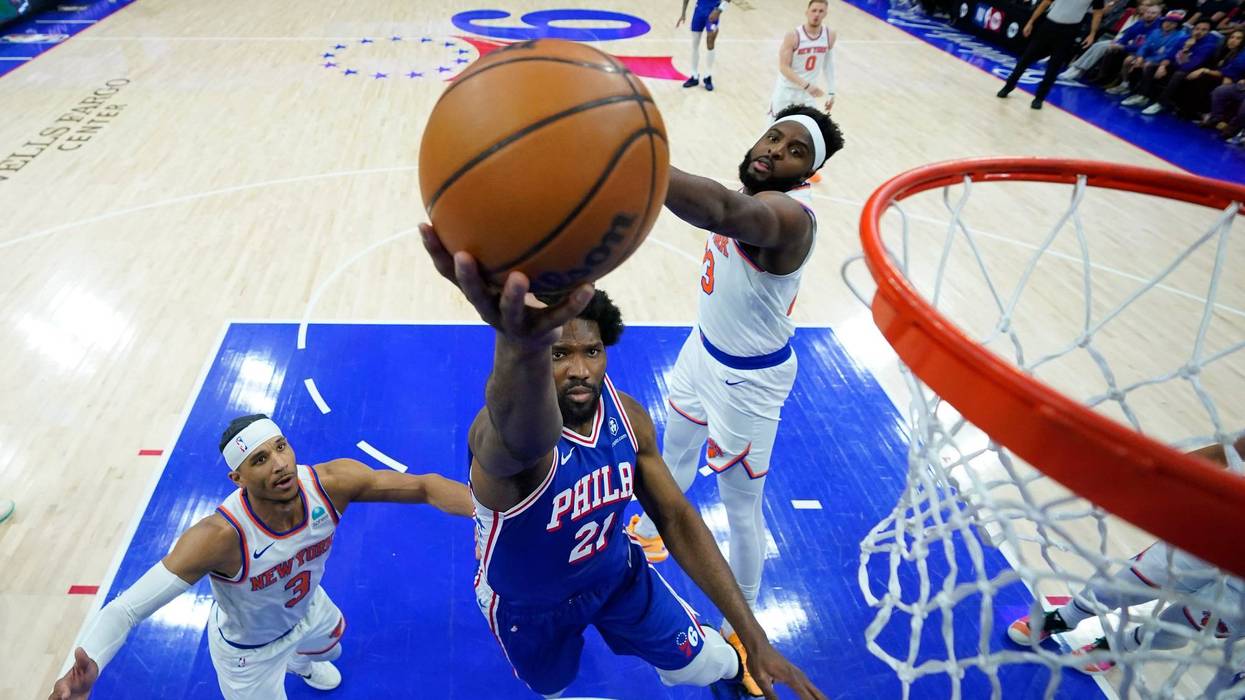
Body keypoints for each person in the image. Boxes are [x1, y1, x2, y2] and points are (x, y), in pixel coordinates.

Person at [418, 227, 828, 700]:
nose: (579, 369)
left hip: (617, 577)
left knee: (707, 662)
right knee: (553, 688)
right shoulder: (506, 441)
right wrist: (516, 344)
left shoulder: (629, 417)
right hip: (528, 608)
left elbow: (675, 516)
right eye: (558, 354)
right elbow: (512, 429)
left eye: (591, 351)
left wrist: (754, 639)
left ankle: (735, 668)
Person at [623, 104, 844, 683]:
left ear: (806, 174)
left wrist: (636, 156)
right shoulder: (753, 196)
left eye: (795, 149)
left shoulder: (787, 218)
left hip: (749, 383)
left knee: (740, 509)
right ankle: (650, 532)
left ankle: (742, 632)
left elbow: (721, 209)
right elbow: (723, 199)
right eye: (773, 136)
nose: (775, 149)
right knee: (672, 452)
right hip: (702, 352)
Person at [48, 416, 473, 700]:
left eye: (281, 447)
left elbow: (423, 486)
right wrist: (86, 668)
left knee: (331, 651)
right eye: (260, 459)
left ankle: (302, 664)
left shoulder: (331, 483)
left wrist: (493, 510)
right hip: (248, 652)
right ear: (238, 477)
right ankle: (286, 664)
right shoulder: (218, 537)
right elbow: (125, 610)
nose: (280, 465)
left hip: (307, 608)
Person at [1007, 436, 1245, 695]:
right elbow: (1226, 453)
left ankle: (1120, 646)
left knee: (1185, 625)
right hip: (1213, 533)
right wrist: (1166, 478)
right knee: (1130, 582)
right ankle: (1064, 618)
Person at [997, 0, 1107, 108]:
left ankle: (1039, 98)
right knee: (1026, 58)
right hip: (1049, 25)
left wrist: (1092, 34)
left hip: (1069, 31)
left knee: (1054, 67)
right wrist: (1031, 21)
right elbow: (1046, 2)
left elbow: (1098, 13)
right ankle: (1009, 86)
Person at [1123, 17, 1221, 113]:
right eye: (1197, 29)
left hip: (1191, 72)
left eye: (1204, 30)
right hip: (1177, 65)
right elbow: (1170, 55)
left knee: (1178, 74)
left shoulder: (1209, 45)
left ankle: (1161, 103)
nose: (1199, 32)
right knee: (1151, 66)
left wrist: (1186, 48)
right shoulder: (1184, 39)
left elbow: (1191, 65)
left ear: (1209, 32)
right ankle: (1142, 96)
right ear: (1193, 29)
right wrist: (1162, 66)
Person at [1060, 1, 1164, 82]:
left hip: (1139, 52)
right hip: (1128, 45)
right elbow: (1128, 35)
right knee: (1100, 44)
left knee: (1103, 46)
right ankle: (1076, 69)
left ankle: (1079, 70)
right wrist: (1119, 43)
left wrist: (1122, 47)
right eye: (1148, 12)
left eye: (1153, 13)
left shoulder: (1158, 28)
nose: (1149, 15)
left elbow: (1144, 46)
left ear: (1159, 15)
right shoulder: (1141, 22)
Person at [770, 0, 837, 117]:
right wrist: (806, 85)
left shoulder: (829, 35)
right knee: (774, 130)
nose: (817, 14)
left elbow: (828, 64)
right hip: (786, 92)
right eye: (814, 10)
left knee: (812, 130)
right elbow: (783, 67)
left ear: (825, 14)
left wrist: (831, 91)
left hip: (807, 95)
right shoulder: (793, 35)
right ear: (807, 12)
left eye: (821, 11)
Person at [1106, 10, 1190, 94]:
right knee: (1128, 60)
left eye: (1172, 23)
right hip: (1148, 56)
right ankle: (1124, 84)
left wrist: (1147, 60)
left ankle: (1140, 92)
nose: (1168, 24)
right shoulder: (1156, 32)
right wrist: (1140, 57)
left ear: (1177, 25)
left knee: (1147, 65)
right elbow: (1145, 46)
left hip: (1164, 61)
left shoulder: (1180, 36)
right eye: (1166, 21)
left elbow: (1168, 54)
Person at [679, 0, 728, 91]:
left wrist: (719, 10)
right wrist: (683, 13)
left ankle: (708, 76)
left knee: (710, 40)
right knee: (695, 44)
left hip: (713, 11)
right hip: (699, 11)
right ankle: (694, 76)